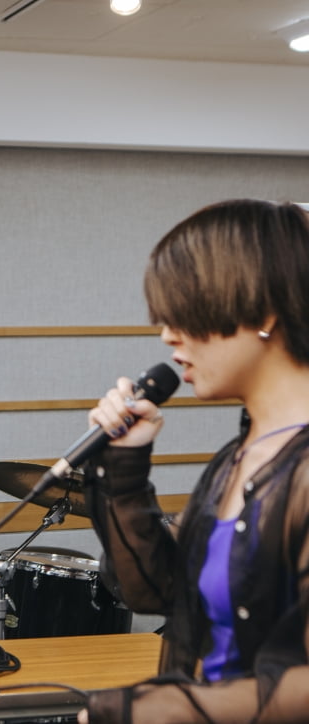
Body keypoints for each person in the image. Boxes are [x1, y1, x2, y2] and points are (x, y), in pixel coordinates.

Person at [76, 199, 309, 723]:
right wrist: (125, 466)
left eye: (187, 309)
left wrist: (151, 711)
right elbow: (154, 589)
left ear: (265, 314)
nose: (168, 335)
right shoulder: (237, 459)